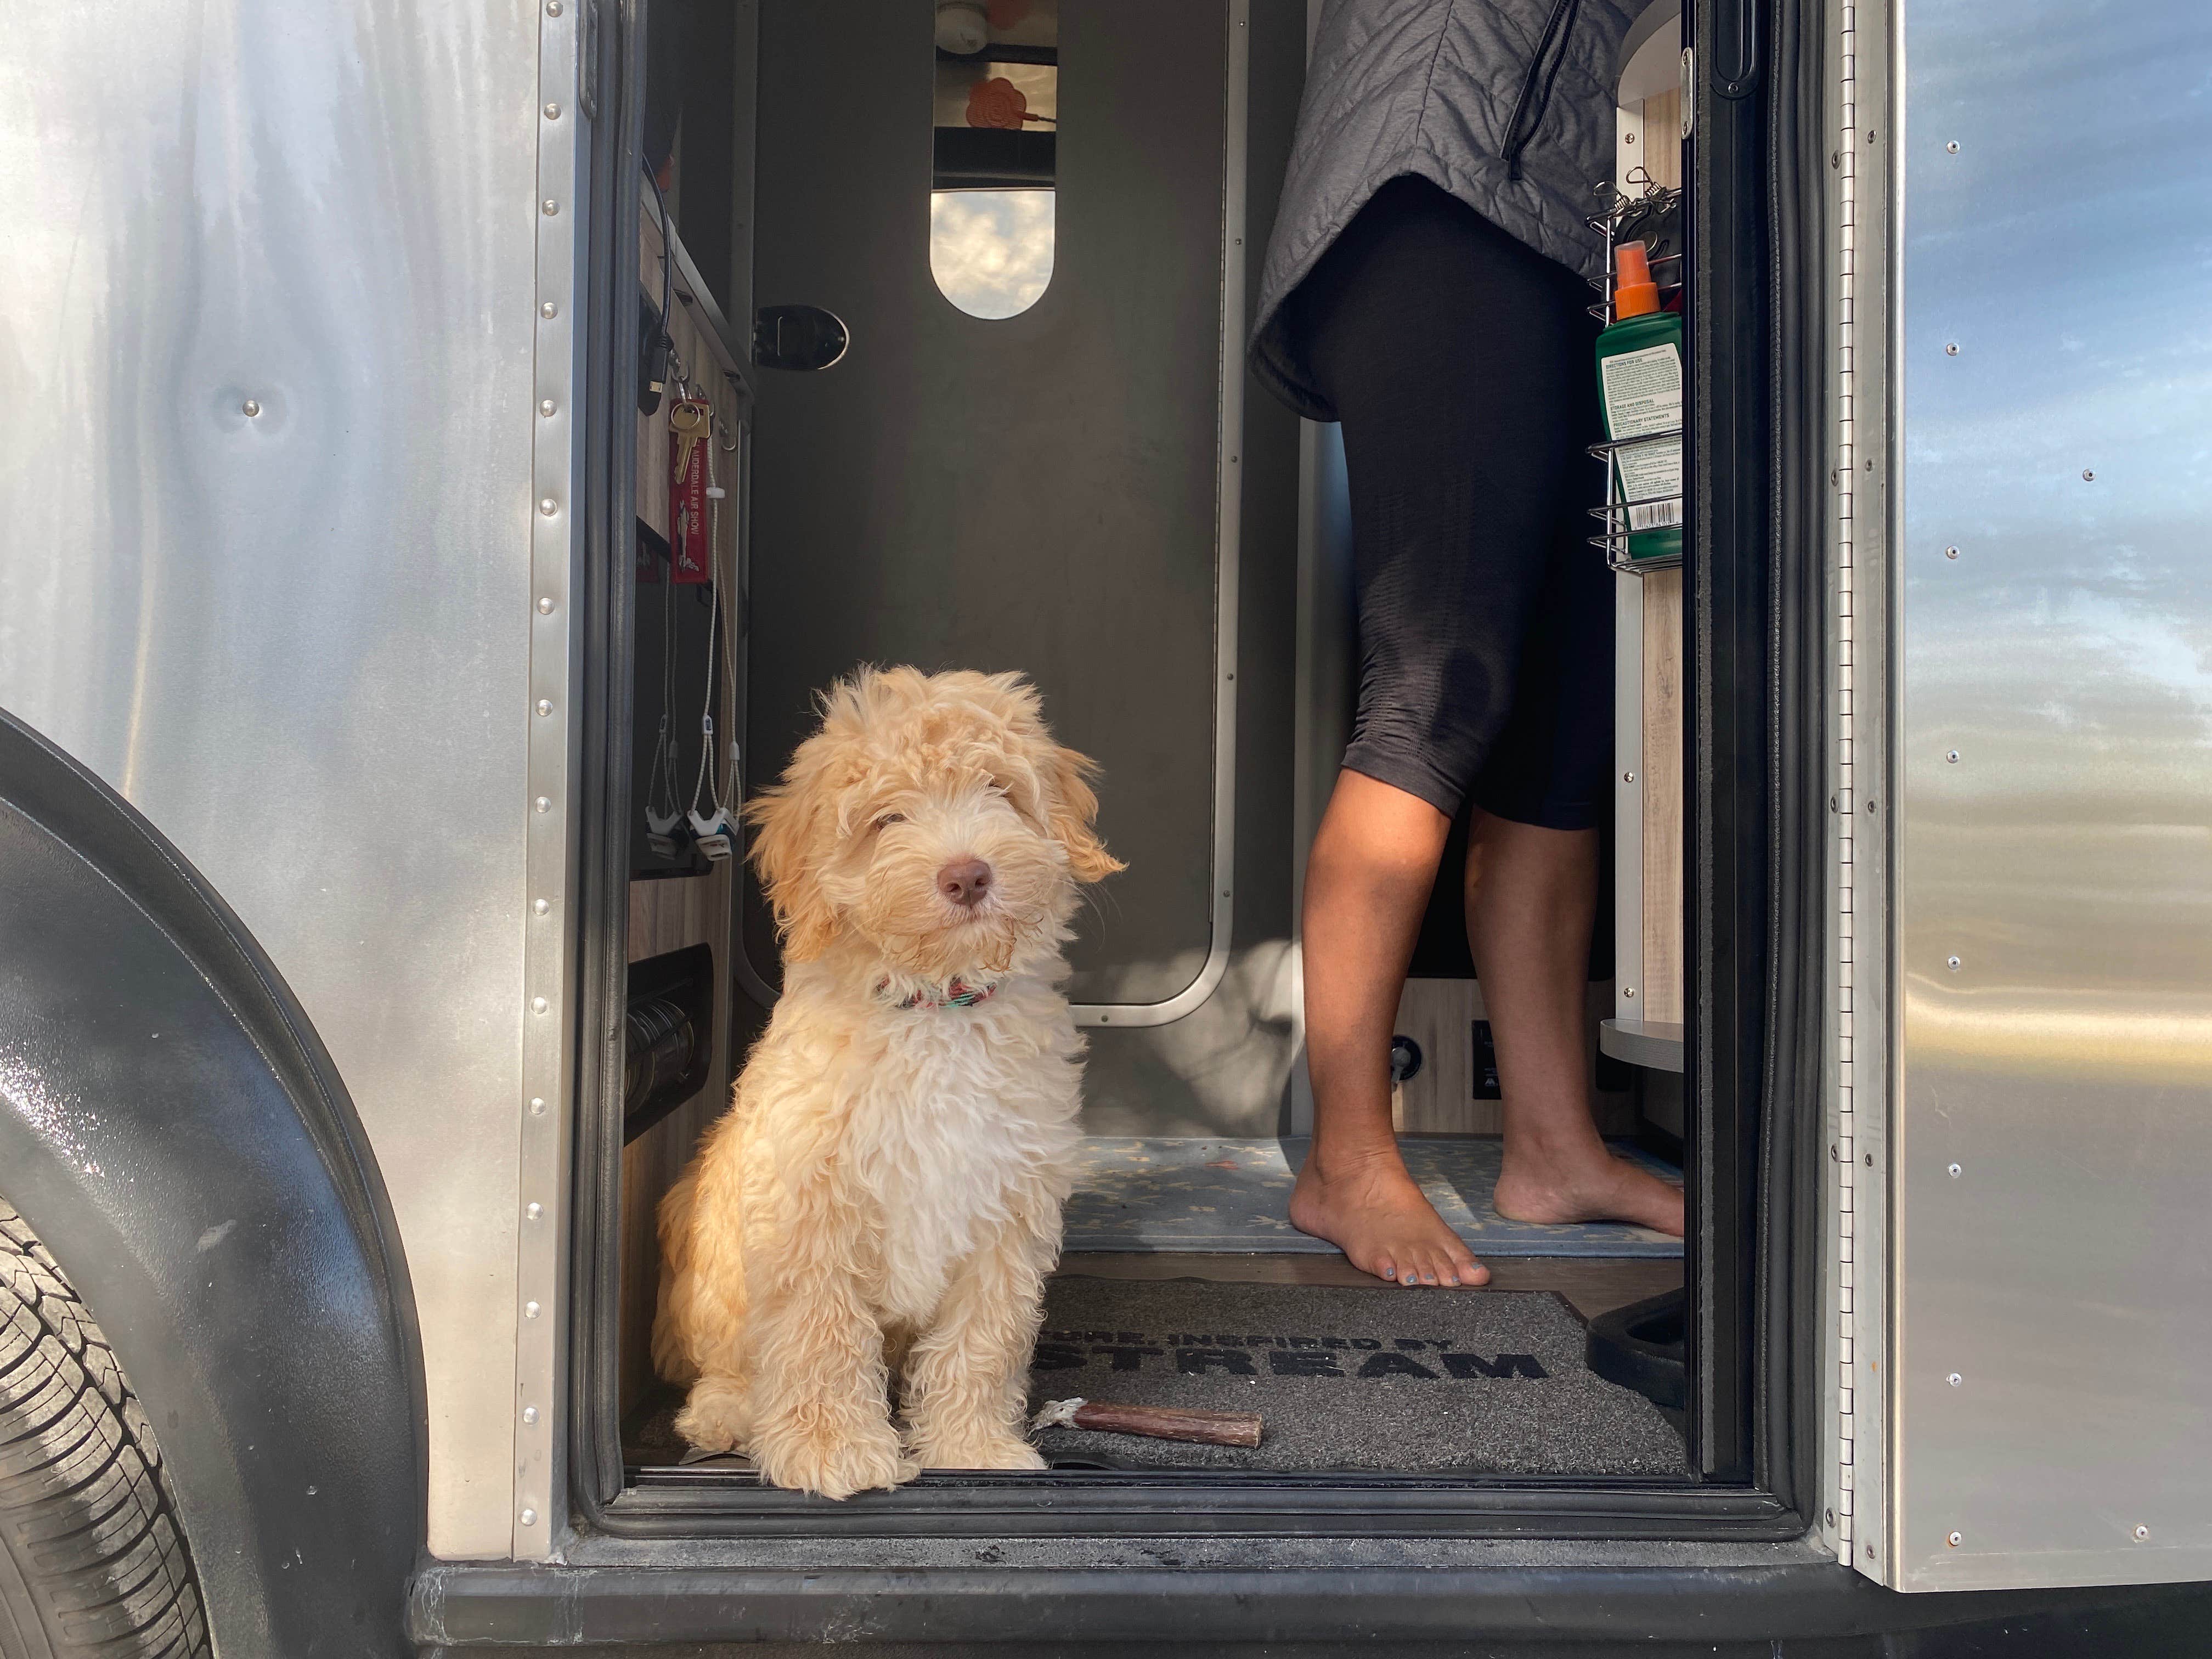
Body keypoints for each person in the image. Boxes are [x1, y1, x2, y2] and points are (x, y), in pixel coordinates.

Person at [1249, 0, 1684, 1288]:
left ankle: (1555, 1150)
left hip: (1575, 224)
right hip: (1443, 187)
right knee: (1437, 685)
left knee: (1563, 722)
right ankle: (1344, 1161)